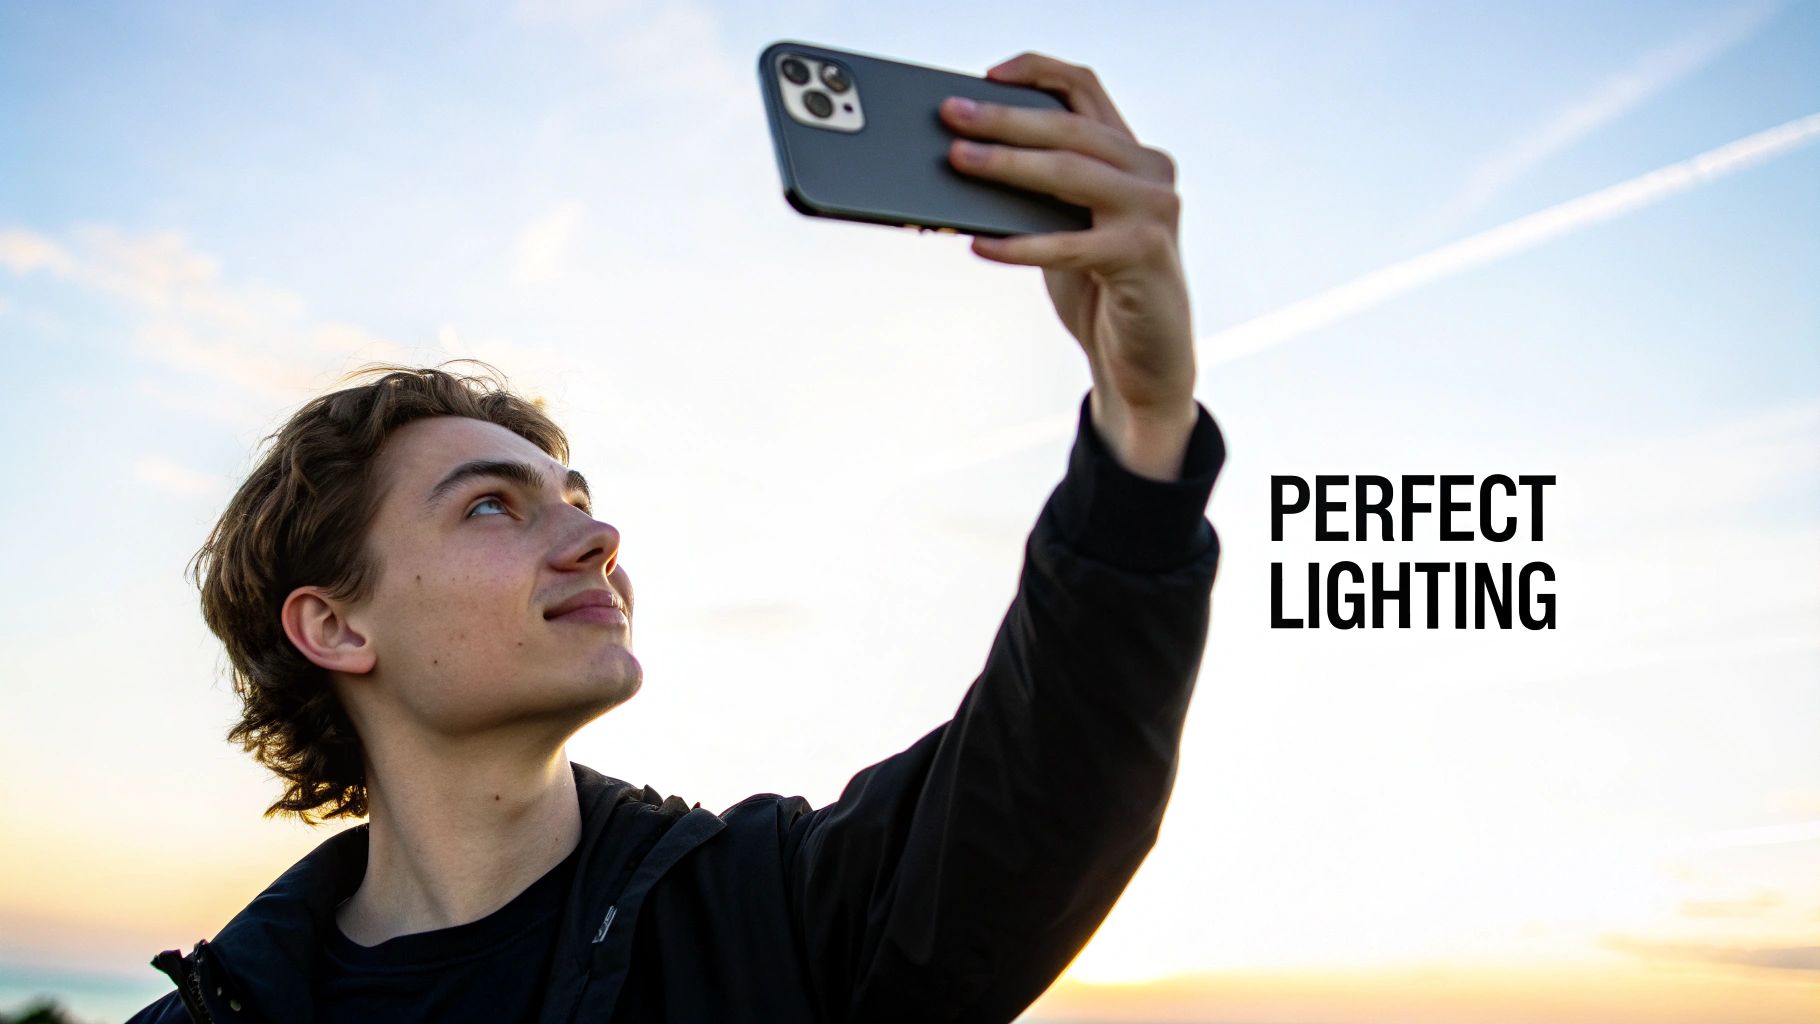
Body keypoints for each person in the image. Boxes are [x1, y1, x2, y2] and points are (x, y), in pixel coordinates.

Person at [126, 51, 1226, 1023]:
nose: (595, 534)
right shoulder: (218, 1013)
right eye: (491, 505)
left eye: (577, 496)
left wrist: (1140, 424)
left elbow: (1044, 784)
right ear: (334, 623)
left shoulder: (776, 912)